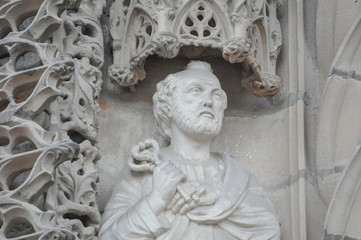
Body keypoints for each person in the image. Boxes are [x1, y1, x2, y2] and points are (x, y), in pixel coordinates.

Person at [99, 61, 280, 240]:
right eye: (196, 91)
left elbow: (269, 231)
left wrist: (218, 194)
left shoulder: (236, 176)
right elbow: (110, 237)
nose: (209, 102)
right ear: (168, 106)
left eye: (216, 96)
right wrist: (157, 200)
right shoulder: (146, 169)